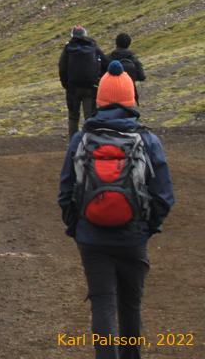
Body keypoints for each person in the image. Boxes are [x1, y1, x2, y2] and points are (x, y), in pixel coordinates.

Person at [58, 61, 174, 359]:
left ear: (99, 100)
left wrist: (77, 228)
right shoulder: (147, 140)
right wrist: (147, 228)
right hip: (133, 236)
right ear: (131, 98)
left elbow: (65, 192)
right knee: (130, 305)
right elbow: (164, 196)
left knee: (103, 303)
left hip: (91, 237)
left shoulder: (81, 139)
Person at [60, 26, 108, 138]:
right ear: (85, 35)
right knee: (90, 117)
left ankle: (73, 144)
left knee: (73, 117)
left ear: (72, 35)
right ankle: (90, 142)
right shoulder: (93, 47)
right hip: (90, 88)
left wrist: (66, 84)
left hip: (72, 88)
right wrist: (99, 79)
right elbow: (106, 63)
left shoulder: (68, 48)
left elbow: (62, 67)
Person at [108, 33, 146, 104]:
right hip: (129, 93)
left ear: (116, 43)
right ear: (129, 44)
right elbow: (142, 77)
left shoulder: (109, 58)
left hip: (111, 94)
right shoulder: (133, 59)